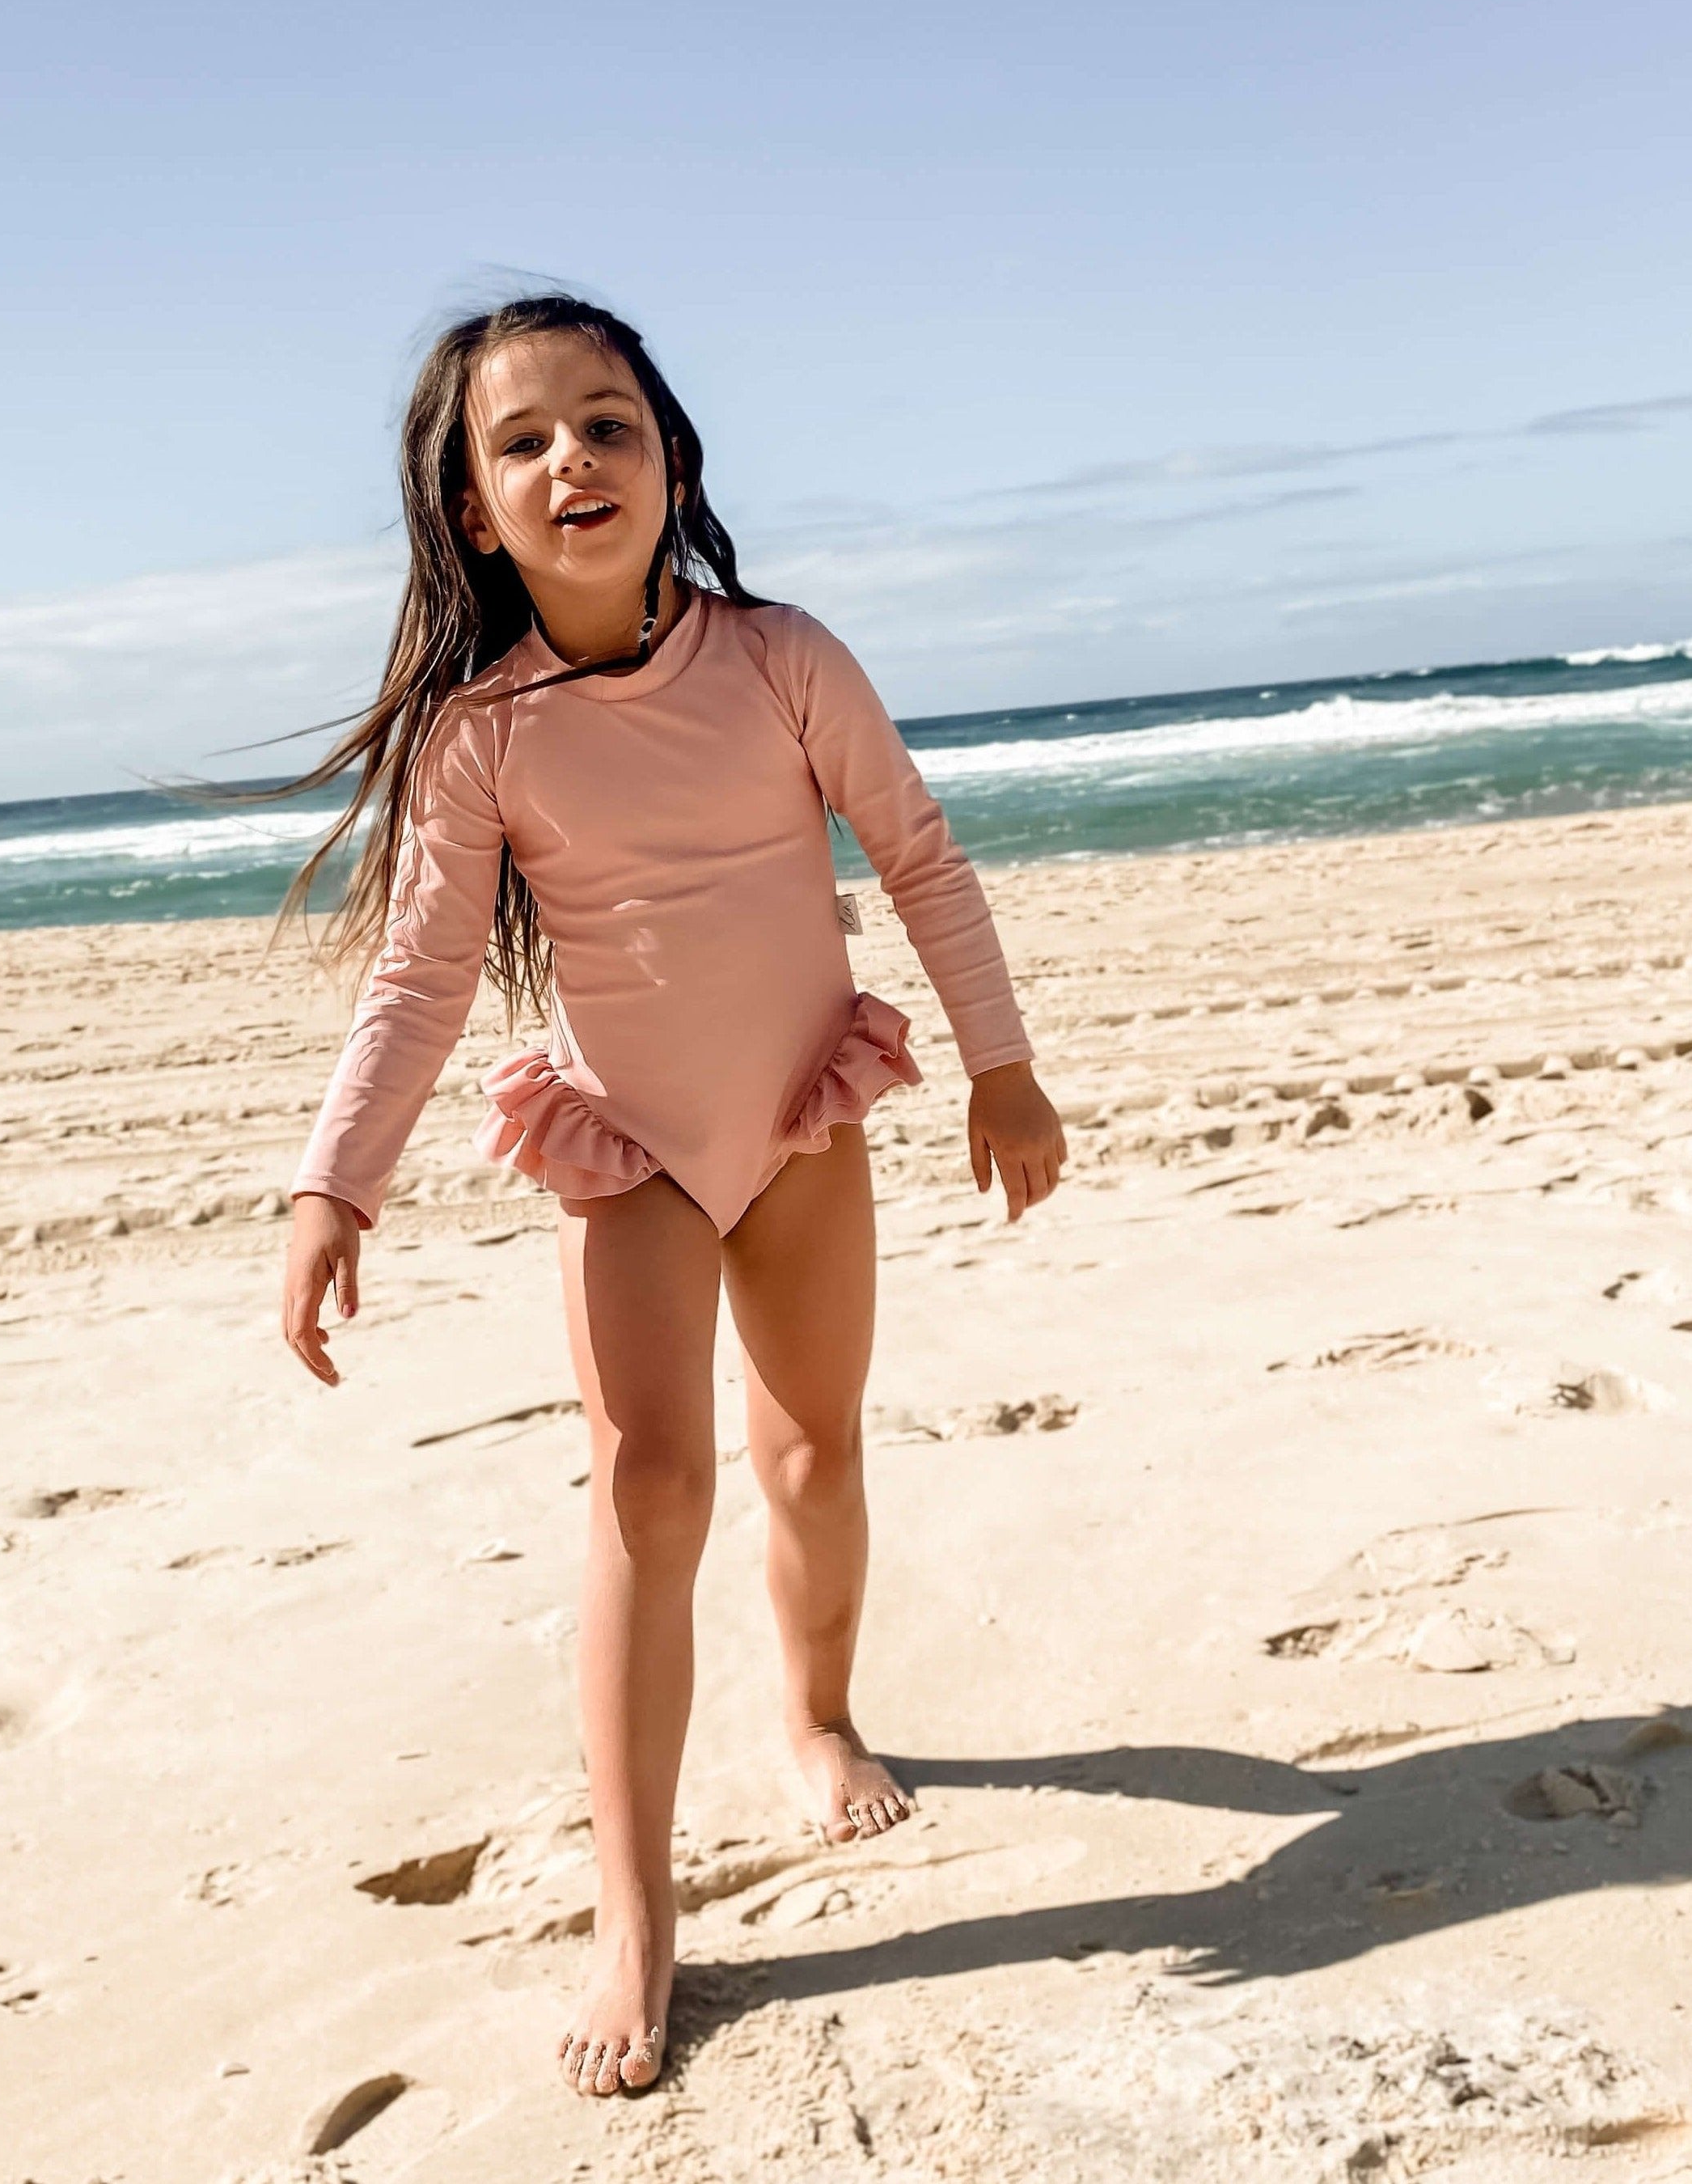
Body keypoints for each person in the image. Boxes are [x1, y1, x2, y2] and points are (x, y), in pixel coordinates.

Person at [276, 295, 1066, 2098]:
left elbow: (920, 855)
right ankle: (635, 1910)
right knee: (647, 1487)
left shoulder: (782, 657)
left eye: (608, 423)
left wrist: (1001, 1061)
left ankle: (812, 1710)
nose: (574, 457)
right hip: (626, 1149)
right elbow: (412, 982)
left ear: (672, 460)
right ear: (474, 508)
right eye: (526, 438)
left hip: (796, 1126)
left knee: (816, 1454)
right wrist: (337, 1183)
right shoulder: (480, 737)